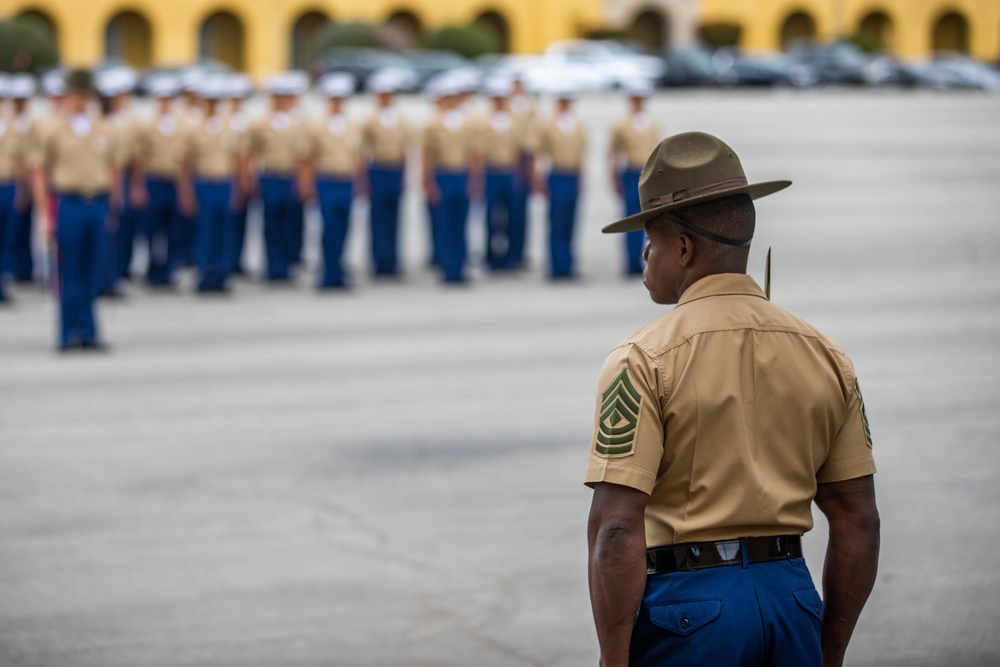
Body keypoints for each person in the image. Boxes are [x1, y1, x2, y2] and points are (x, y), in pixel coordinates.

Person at [585, 132, 880, 667]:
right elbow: (859, 518)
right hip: (792, 599)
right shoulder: (826, 354)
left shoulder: (643, 358)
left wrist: (612, 660)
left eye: (649, 238)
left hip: (690, 615)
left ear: (684, 249)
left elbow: (618, 526)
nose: (645, 253)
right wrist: (828, 650)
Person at [31, 69, 122, 351]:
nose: (81, 101)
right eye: (76, 95)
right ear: (67, 97)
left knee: (94, 268)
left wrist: (115, 206)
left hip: (97, 202)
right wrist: (45, 214)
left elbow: (113, 169)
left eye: (86, 95)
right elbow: (40, 172)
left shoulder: (104, 129)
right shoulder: (53, 130)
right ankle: (67, 332)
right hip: (67, 202)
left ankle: (90, 331)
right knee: (68, 269)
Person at [178, 75, 246, 294]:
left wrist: (238, 188)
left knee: (225, 231)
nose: (213, 105)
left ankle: (222, 273)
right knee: (205, 231)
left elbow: (237, 160)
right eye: (209, 100)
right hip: (204, 183)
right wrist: (186, 192)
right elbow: (185, 164)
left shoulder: (229, 127)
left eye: (217, 101)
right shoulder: (193, 129)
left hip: (224, 183)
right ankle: (205, 274)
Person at [301, 73, 362, 290]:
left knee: (345, 227)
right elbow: (307, 158)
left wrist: (359, 183)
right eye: (334, 98)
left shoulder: (352, 125)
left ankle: (339, 269)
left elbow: (357, 158)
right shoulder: (317, 125)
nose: (337, 103)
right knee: (328, 228)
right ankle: (328, 273)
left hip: (345, 181)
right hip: (326, 180)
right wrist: (307, 185)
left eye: (341, 98)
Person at [246, 71, 309, 283]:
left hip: (292, 176)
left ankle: (291, 261)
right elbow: (251, 152)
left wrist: (305, 180)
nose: (281, 101)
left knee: (293, 222)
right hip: (271, 176)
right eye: (277, 96)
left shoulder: (300, 122)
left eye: (285, 96)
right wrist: (251, 178)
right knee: (271, 224)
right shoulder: (261, 123)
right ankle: (274, 266)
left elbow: (306, 156)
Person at [420, 79, 480, 284]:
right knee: (444, 224)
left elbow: (473, 155)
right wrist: (428, 182)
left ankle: (460, 267)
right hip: (443, 174)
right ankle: (447, 268)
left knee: (460, 224)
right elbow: (427, 156)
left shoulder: (466, 123)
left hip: (461, 174)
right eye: (448, 98)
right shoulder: (433, 124)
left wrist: (474, 180)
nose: (451, 102)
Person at [475, 79, 527, 271]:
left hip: (510, 171)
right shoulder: (483, 122)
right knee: (491, 216)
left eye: (502, 98)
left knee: (513, 216)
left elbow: (521, 150)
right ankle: (491, 256)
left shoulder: (515, 121)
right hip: (492, 171)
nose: (498, 102)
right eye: (495, 98)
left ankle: (512, 256)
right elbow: (477, 153)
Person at [609, 80, 660, 277]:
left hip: (649, 172)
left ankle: (649, 261)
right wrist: (614, 178)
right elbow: (613, 153)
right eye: (635, 99)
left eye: (641, 99)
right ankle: (630, 262)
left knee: (652, 220)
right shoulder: (621, 125)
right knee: (631, 218)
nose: (638, 103)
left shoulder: (652, 124)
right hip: (631, 172)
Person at [360, 74, 408, 278]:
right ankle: (379, 261)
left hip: (395, 169)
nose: (387, 98)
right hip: (378, 168)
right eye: (383, 94)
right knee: (378, 218)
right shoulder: (370, 120)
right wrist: (363, 179)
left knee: (395, 217)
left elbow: (404, 150)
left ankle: (393, 260)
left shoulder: (400, 119)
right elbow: (363, 151)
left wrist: (404, 174)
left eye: (390, 94)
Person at [534, 89, 585, 280]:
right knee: (556, 222)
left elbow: (581, 154)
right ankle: (556, 266)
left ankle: (569, 264)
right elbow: (540, 153)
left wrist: (581, 178)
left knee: (571, 221)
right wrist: (539, 177)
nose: (564, 105)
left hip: (572, 175)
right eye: (562, 101)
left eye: (567, 101)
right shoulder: (549, 125)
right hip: (557, 174)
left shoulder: (577, 125)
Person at [5, 73, 38, 285]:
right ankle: (12, 270)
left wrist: (27, 186)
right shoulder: (10, 123)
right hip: (8, 181)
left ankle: (24, 268)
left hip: (22, 180)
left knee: (23, 228)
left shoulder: (30, 123)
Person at [223, 74, 254, 277]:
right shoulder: (222, 122)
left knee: (243, 221)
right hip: (227, 177)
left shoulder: (247, 122)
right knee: (227, 222)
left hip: (245, 176)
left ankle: (238, 258)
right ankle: (228, 260)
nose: (237, 102)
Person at [0, 74, 18, 302]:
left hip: (8, 186)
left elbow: (23, 162)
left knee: (7, 237)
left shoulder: (14, 127)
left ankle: (3, 281)